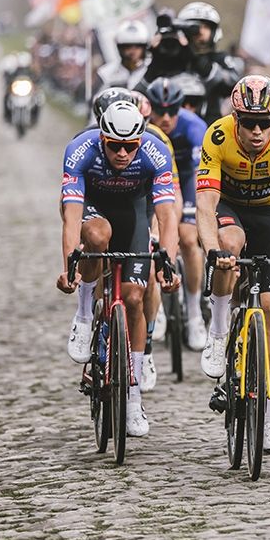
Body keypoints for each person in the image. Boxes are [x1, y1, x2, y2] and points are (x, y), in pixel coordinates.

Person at [196, 75, 270, 453]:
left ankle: (268, 419)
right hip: (230, 210)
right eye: (247, 122)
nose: (256, 131)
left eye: (264, 122)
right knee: (229, 245)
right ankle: (218, 334)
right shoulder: (217, 136)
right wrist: (212, 248)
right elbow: (205, 203)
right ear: (235, 119)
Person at [58, 101, 179, 437]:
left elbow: (167, 215)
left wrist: (167, 259)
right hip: (93, 207)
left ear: (139, 141)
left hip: (133, 213)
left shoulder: (154, 151)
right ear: (102, 139)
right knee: (98, 235)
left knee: (135, 298)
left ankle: (134, 395)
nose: (123, 154)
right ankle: (84, 314)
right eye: (115, 146)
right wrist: (70, 266)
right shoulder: (80, 149)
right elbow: (70, 217)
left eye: (130, 147)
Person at [145, 77, 210, 351]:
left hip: (186, 179)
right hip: (154, 180)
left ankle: (194, 312)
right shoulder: (144, 126)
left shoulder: (194, 127)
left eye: (173, 110)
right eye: (160, 112)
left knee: (188, 238)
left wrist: (190, 211)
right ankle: (156, 302)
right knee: (151, 237)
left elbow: (198, 176)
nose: (167, 118)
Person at [96, 19, 150, 90]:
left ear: (145, 47)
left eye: (138, 46)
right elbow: (96, 98)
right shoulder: (105, 73)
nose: (133, 50)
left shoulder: (152, 69)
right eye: (127, 46)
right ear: (120, 48)